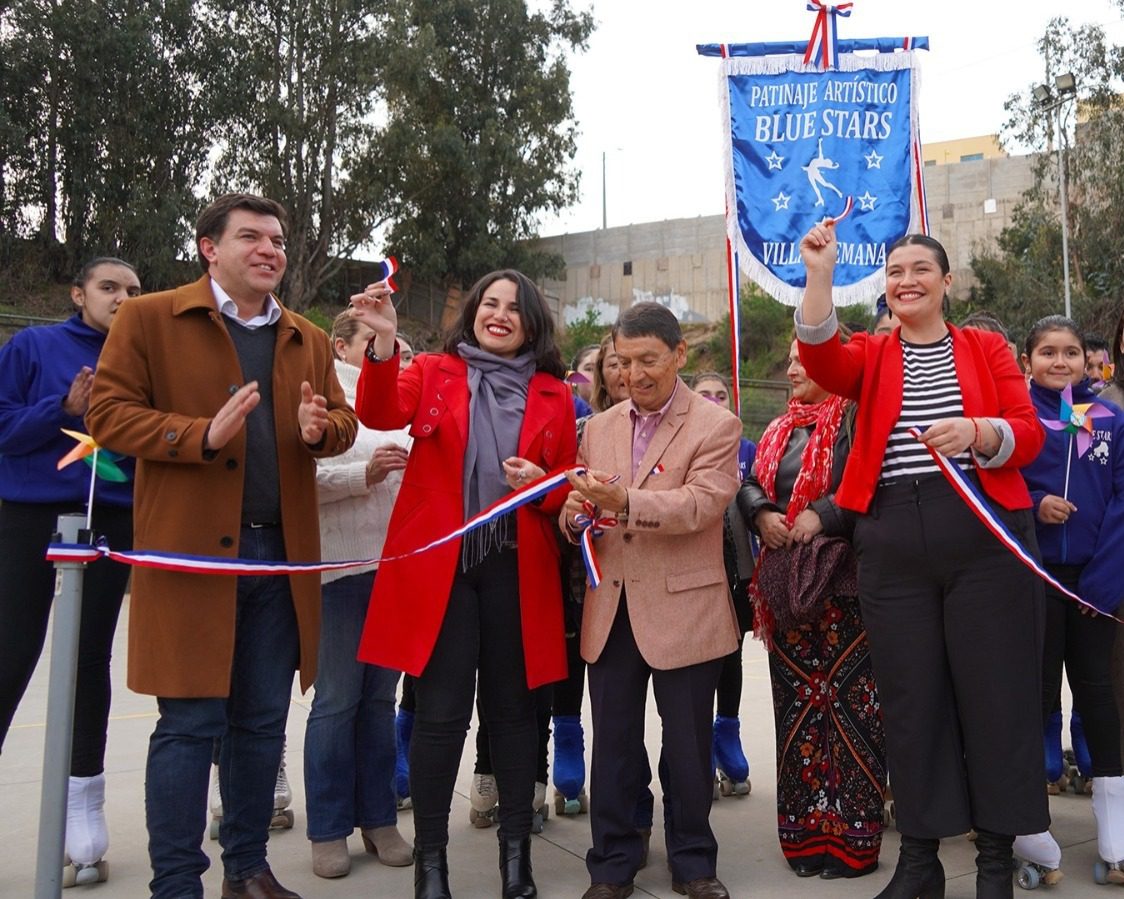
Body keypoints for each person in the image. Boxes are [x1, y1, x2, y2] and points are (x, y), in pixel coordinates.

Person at [87, 193, 357, 899]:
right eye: (251, 237)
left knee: (261, 722)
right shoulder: (151, 318)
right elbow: (107, 413)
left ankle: (247, 869)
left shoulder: (307, 335)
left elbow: (344, 421)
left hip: (280, 557)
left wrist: (319, 431)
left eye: (277, 238)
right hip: (192, 559)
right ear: (209, 246)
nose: (270, 248)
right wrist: (197, 434)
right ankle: (177, 882)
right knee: (189, 723)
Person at [796, 223, 1048, 899]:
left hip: (983, 536)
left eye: (919, 269)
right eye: (895, 269)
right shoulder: (873, 354)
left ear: (945, 282)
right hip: (892, 544)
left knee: (996, 700)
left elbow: (1026, 430)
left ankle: (995, 861)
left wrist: (979, 430)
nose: (905, 279)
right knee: (912, 702)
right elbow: (820, 359)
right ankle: (921, 860)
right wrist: (820, 274)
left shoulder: (985, 346)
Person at [348, 268, 577, 899]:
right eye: (489, 304)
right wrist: (386, 344)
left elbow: (568, 487)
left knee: (512, 716)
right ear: (473, 311)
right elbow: (378, 409)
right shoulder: (432, 372)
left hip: (516, 566)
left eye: (513, 308)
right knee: (440, 717)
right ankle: (431, 864)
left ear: (531, 322)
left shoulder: (557, 393)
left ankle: (515, 862)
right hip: (441, 568)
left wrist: (541, 482)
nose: (499, 315)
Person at [561, 302, 743, 899]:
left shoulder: (716, 425)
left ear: (679, 355)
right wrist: (574, 513)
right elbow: (585, 503)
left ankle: (693, 861)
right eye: (623, 360)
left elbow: (701, 505)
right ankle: (612, 862)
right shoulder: (598, 427)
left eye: (649, 361)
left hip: (685, 608)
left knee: (688, 747)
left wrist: (622, 504)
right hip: (611, 606)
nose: (634, 374)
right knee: (612, 744)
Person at [0, 257, 141, 886]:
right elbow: (5, 427)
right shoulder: (34, 345)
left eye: (134, 290)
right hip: (29, 514)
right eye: (110, 287)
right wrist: (61, 407)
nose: (122, 298)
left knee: (88, 660)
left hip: (109, 515)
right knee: (11, 652)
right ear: (78, 293)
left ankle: (83, 811)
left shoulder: (144, 354)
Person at [738, 337, 886, 879]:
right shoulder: (778, 429)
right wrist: (761, 515)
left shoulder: (855, 418)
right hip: (789, 592)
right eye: (791, 358)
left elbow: (868, 484)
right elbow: (749, 484)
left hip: (845, 588)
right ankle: (803, 837)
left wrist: (821, 514)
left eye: (806, 357)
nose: (793, 365)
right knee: (798, 711)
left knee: (853, 714)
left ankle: (854, 841)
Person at [1013, 316, 1124, 884]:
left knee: (1099, 698)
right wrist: (1035, 504)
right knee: (1033, 699)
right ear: (1026, 360)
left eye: (1072, 353)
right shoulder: (1016, 418)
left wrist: (1102, 587)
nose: (1061, 362)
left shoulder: (1110, 419)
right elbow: (995, 483)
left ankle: (1116, 838)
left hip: (1092, 591)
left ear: (1089, 362)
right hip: (1031, 580)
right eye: (1048, 352)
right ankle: (1030, 830)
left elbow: (1123, 504)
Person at [303, 311, 413, 878]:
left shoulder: (401, 398)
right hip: (338, 572)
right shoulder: (322, 400)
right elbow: (297, 486)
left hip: (394, 572)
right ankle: (326, 828)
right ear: (340, 345)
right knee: (336, 702)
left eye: (389, 342)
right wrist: (361, 477)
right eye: (370, 340)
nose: (383, 349)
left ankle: (379, 819)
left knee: (378, 702)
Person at [690, 372, 757, 798]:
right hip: (692, 570)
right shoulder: (681, 442)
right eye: (704, 395)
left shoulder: (744, 447)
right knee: (698, 662)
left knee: (731, 654)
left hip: (737, 571)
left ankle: (726, 732)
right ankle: (695, 748)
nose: (714, 401)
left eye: (721, 395)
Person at [590, 332, 630, 413]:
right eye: (614, 364)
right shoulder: (587, 425)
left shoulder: (662, 424)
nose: (624, 371)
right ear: (601, 377)